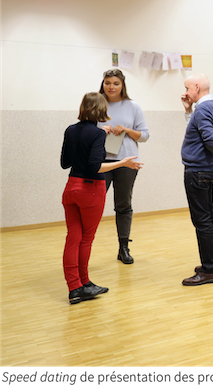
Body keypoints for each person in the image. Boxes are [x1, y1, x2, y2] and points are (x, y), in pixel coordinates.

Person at [61, 92, 142, 304]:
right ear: (101, 110)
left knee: (73, 238)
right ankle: (84, 283)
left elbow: (65, 163)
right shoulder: (97, 134)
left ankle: (75, 287)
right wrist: (122, 163)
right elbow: (95, 166)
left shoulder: (70, 130)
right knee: (86, 239)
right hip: (90, 190)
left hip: (71, 188)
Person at [180, 74, 213, 287]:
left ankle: (209, 270)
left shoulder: (203, 109)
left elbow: (208, 138)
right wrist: (188, 110)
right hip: (208, 168)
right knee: (209, 215)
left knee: (202, 220)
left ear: (197, 87)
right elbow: (200, 132)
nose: (186, 92)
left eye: (187, 88)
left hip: (198, 170)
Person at [98, 69, 150, 265]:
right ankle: (84, 245)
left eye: (115, 83)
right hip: (101, 161)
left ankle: (124, 248)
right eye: (107, 83)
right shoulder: (96, 104)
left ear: (122, 85)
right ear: (103, 84)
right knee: (94, 202)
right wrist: (100, 132)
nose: (111, 87)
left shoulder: (132, 106)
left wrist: (127, 130)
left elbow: (144, 136)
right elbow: (84, 131)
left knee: (124, 204)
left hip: (127, 162)